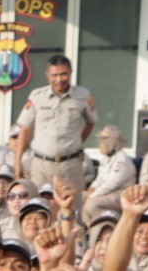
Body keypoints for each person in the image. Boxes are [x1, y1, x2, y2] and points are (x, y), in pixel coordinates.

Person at [16, 54, 96, 191]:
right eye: (54, 75)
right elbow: (25, 130)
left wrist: (77, 142)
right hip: (41, 165)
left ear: (71, 72)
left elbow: (91, 122)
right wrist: (17, 162)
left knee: (72, 208)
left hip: (70, 165)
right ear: (47, 75)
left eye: (63, 74)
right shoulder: (37, 97)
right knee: (39, 208)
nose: (59, 80)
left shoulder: (83, 95)